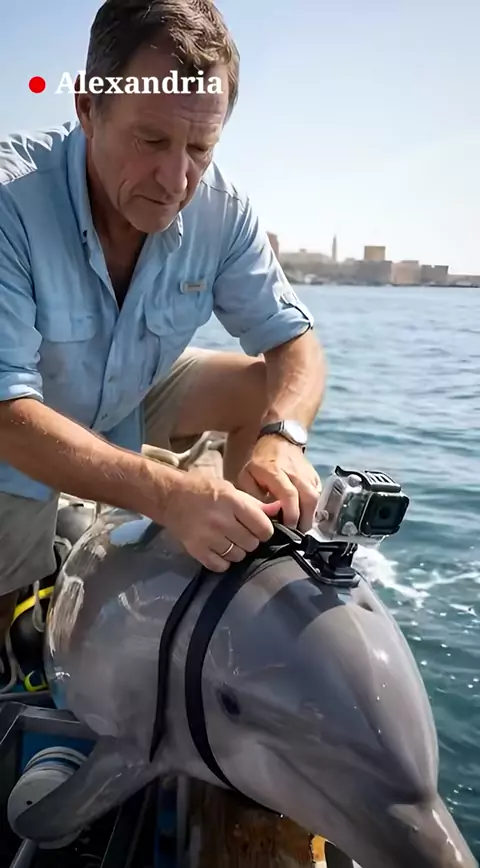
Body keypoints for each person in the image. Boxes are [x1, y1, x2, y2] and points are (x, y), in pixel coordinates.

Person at [0, 0, 326, 653]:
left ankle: (236, 572)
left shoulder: (223, 211)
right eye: (151, 141)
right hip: (14, 435)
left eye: (200, 148)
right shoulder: (11, 200)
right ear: (87, 107)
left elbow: (296, 346)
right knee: (14, 634)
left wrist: (283, 438)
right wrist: (170, 495)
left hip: (122, 398)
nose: (177, 179)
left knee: (261, 390)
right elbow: (6, 414)